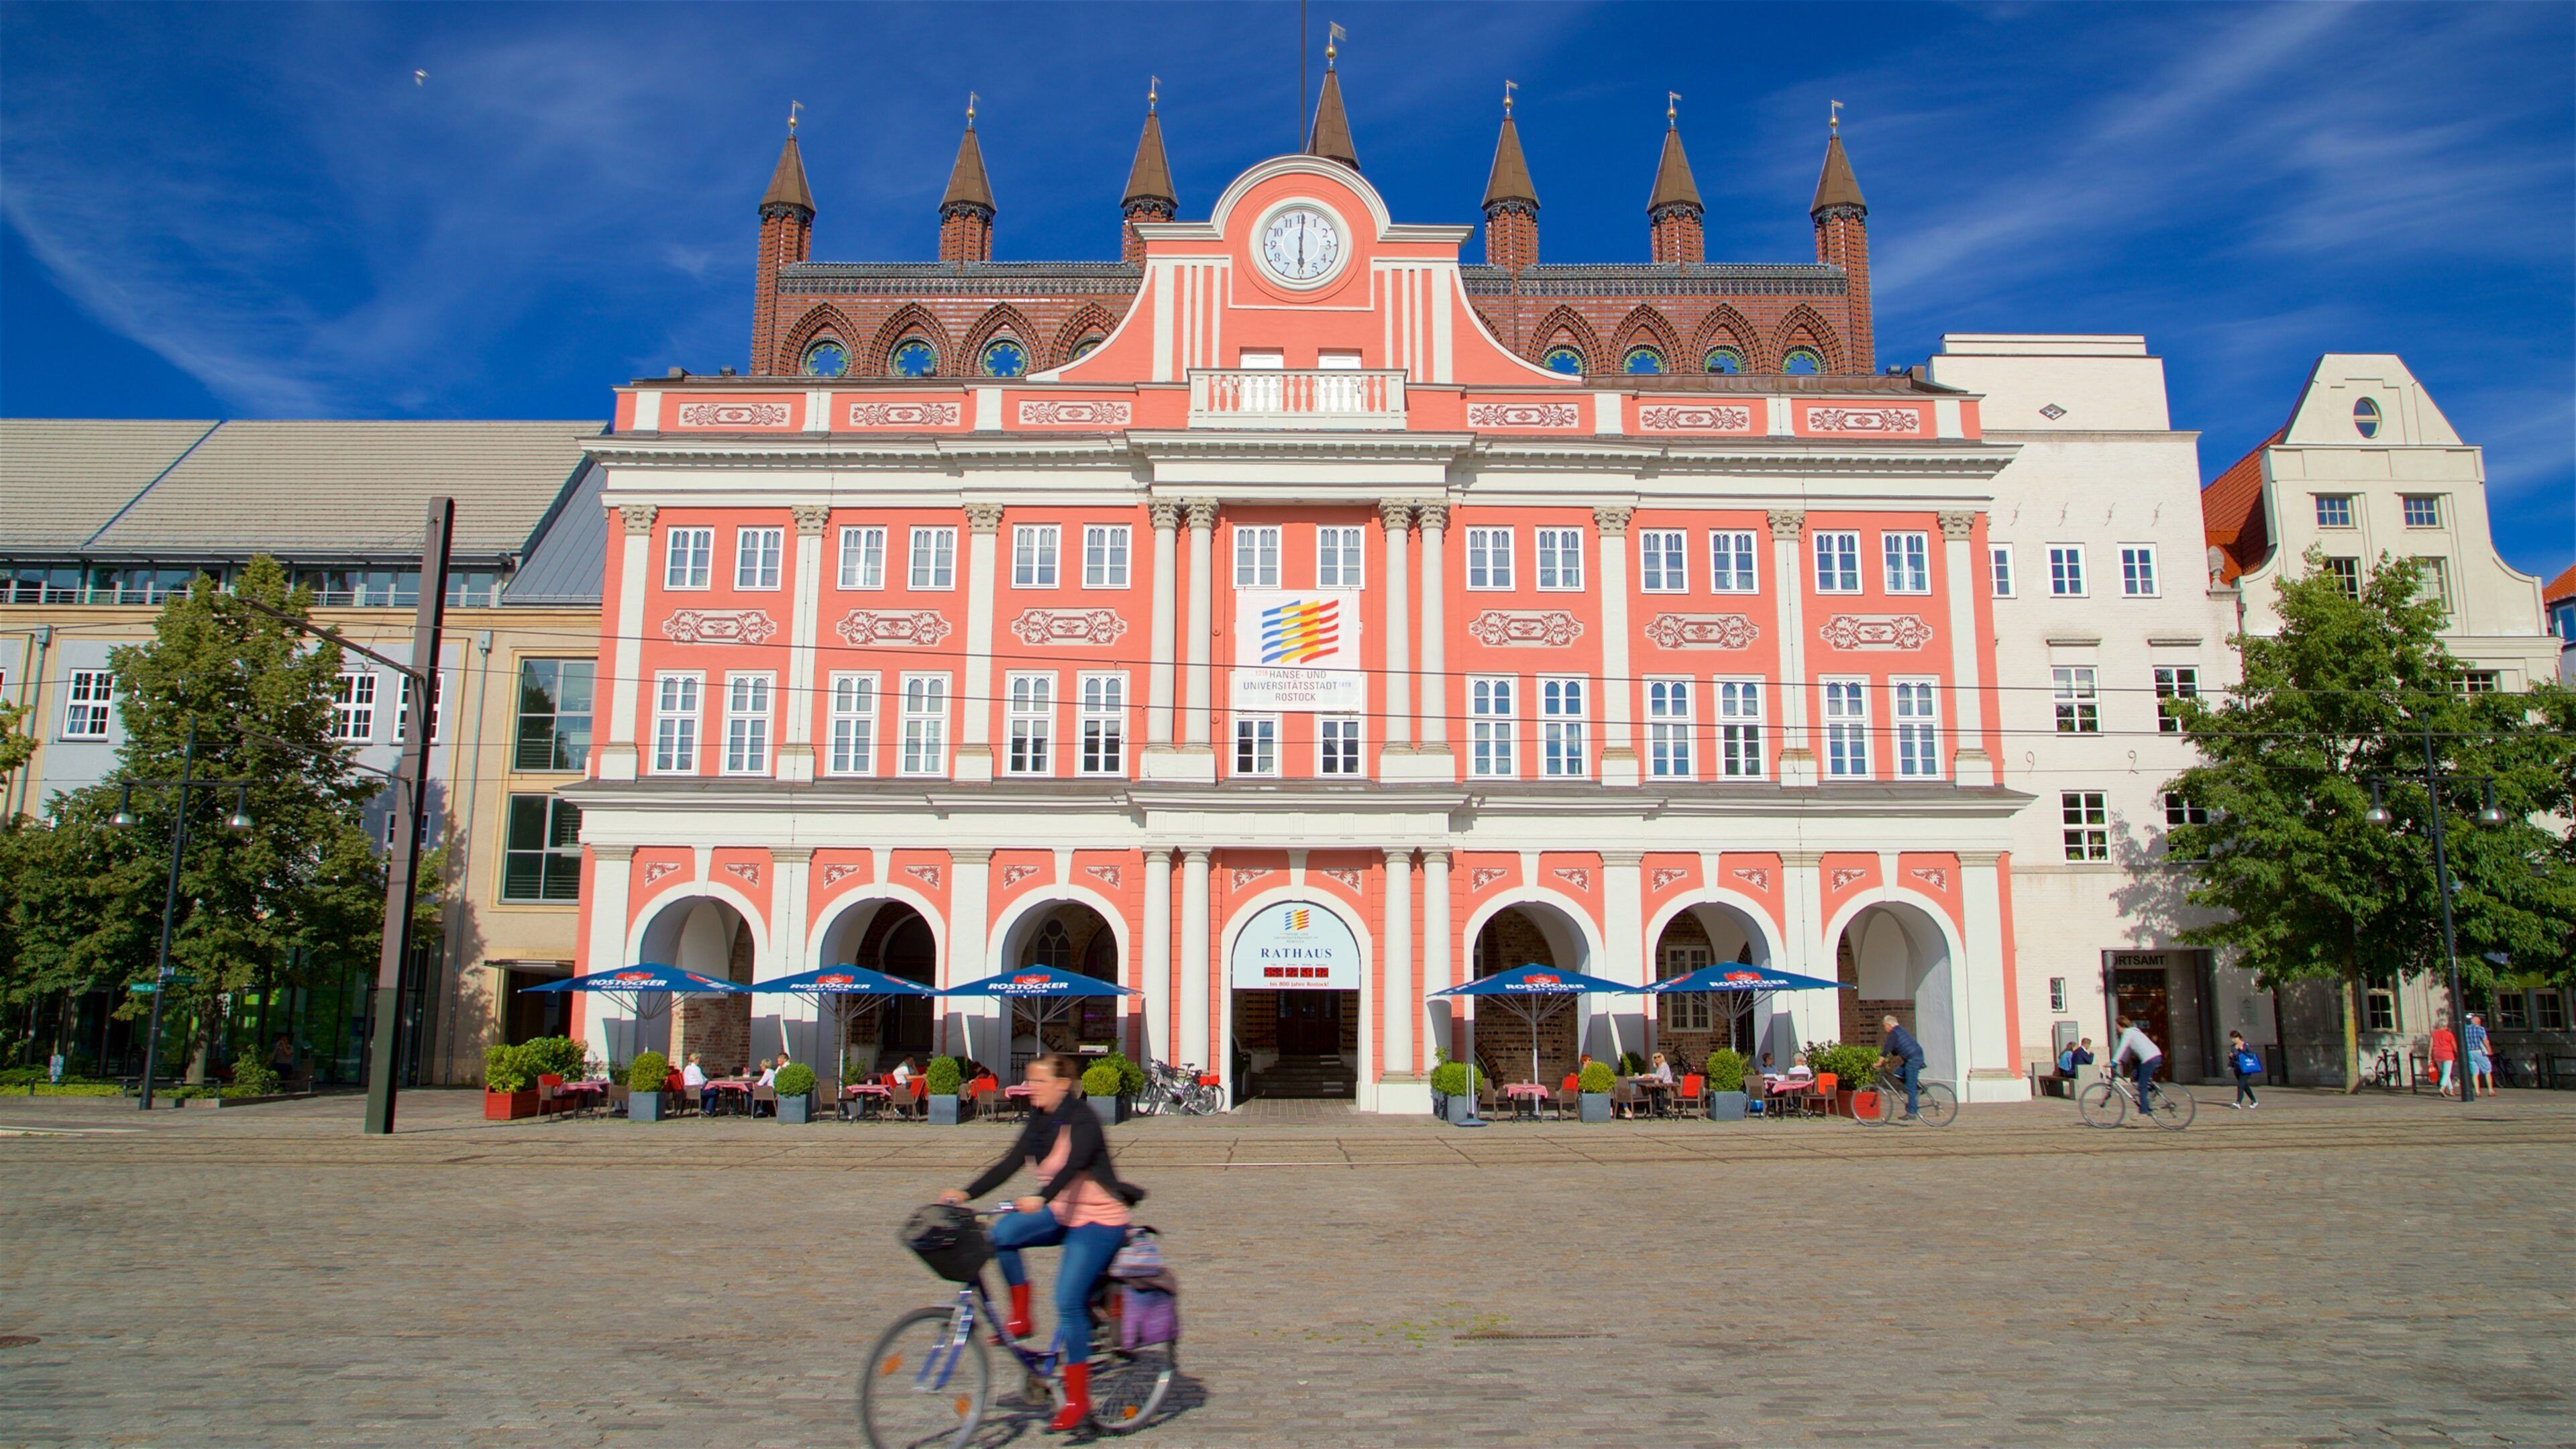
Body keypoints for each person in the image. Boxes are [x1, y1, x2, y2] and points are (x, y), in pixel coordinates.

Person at [940, 1053, 1142, 1432]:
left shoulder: (1083, 1119)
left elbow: (1073, 1166)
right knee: (1001, 1234)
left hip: (1099, 1220)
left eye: (1039, 1081)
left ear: (1063, 1085)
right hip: (1063, 1213)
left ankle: (1079, 1401)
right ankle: (1021, 1316)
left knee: (1067, 1299)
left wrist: (1043, 1198)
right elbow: (1009, 1162)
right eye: (1029, 1081)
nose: (1031, 1088)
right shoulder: (1039, 1120)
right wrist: (965, 1194)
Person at [2112, 1016, 2163, 1118]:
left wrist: (2113, 1062)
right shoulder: (2134, 1031)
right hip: (2155, 1056)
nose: (2116, 1028)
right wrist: (2121, 1061)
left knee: (2142, 1085)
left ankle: (2143, 1111)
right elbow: (2127, 1051)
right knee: (2135, 1075)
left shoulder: (2128, 1033)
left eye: (2117, 1026)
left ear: (2121, 1025)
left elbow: (2122, 1048)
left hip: (2149, 1059)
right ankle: (2153, 1088)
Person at [1878, 1014, 1927, 1119]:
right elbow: (1895, 1050)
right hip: (1915, 1056)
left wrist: (1880, 1062)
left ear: (1889, 1025)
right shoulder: (1899, 1031)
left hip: (1913, 1059)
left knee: (1910, 1086)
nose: (1884, 1028)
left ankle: (1912, 1113)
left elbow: (1887, 1048)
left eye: (1885, 1025)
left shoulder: (1894, 1033)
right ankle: (1917, 1089)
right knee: (1897, 1073)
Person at [2226, 1030, 2262, 1110]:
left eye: (2234, 1038)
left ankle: (2238, 1103)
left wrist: (2242, 1050)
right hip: (2237, 1068)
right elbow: (2234, 1058)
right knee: (2244, 1085)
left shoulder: (2245, 1045)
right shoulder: (2233, 1047)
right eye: (2232, 1038)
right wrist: (2231, 1057)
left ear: (2238, 1037)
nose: (2233, 1040)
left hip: (2246, 1068)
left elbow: (2252, 1055)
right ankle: (2254, 1100)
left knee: (2240, 1085)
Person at [2430, 1015, 2459, 1099]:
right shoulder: (2449, 1034)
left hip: (2437, 1054)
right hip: (2447, 1054)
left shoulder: (2434, 1034)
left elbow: (2431, 1045)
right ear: (2446, 1025)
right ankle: (2442, 1087)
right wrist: (2457, 1053)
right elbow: (2454, 1046)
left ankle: (2451, 1089)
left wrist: (2430, 1055)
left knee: (2444, 1073)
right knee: (2447, 1072)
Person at [2466, 1013, 2496, 1095]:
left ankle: (2477, 1091)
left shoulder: (2465, 1029)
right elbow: (2485, 1040)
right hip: (2479, 1051)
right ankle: (2490, 1090)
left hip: (2470, 1052)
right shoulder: (2480, 1029)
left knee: (2474, 1072)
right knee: (2487, 1070)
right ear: (2478, 1022)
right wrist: (2489, 1050)